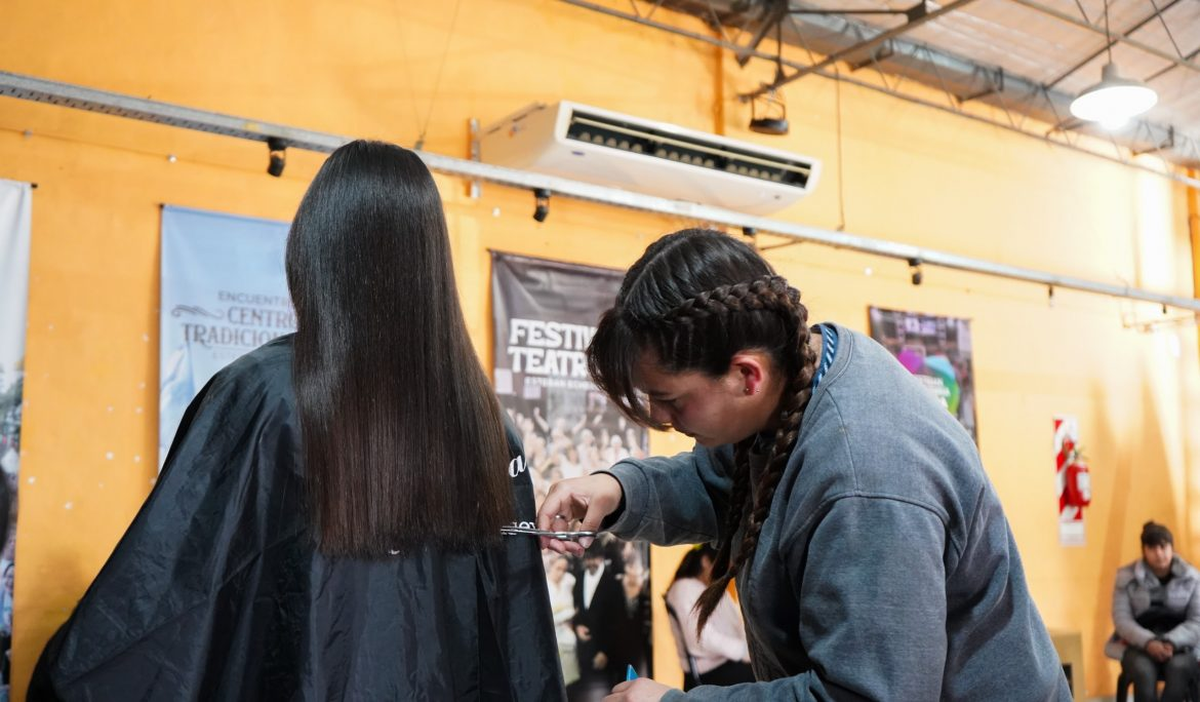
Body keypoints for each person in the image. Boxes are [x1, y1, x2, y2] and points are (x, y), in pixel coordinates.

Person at [29, 141, 565, 701]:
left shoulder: (263, 399)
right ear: (433, 264)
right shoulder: (485, 429)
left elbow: (166, 606)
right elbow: (518, 643)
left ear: (313, 250)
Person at [538, 229, 1070, 700]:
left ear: (747, 376)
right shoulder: (805, 368)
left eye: (673, 401)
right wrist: (617, 490)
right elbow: (719, 482)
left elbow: (865, 695)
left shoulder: (866, 482)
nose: (660, 416)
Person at [1105, 521, 1200, 702]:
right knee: (1143, 671)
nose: (1159, 553)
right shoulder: (1126, 577)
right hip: (1138, 646)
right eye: (1152, 548)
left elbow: (1197, 621)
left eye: (1163, 547)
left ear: (1172, 548)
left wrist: (1170, 642)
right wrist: (1148, 642)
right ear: (1144, 551)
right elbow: (1122, 620)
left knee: (1179, 669)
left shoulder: (1193, 577)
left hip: (1182, 646)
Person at [664, 545, 753, 690]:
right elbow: (700, 639)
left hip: (731, 663)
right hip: (709, 673)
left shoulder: (716, 590)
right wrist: (742, 651)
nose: (727, 574)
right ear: (706, 561)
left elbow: (736, 626)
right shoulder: (683, 588)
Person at [572, 541, 624, 698]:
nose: (590, 562)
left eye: (593, 558)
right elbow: (576, 610)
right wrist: (577, 627)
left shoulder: (613, 583)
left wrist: (604, 651)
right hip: (583, 650)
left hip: (606, 653)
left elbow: (618, 621)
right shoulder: (579, 578)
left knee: (606, 695)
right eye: (587, 559)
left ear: (601, 558)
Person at [547, 554, 582, 687]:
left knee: (571, 684)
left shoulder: (569, 581)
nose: (560, 573)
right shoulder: (544, 584)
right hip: (551, 639)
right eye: (558, 568)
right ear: (551, 565)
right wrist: (567, 614)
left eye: (564, 569)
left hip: (568, 639)